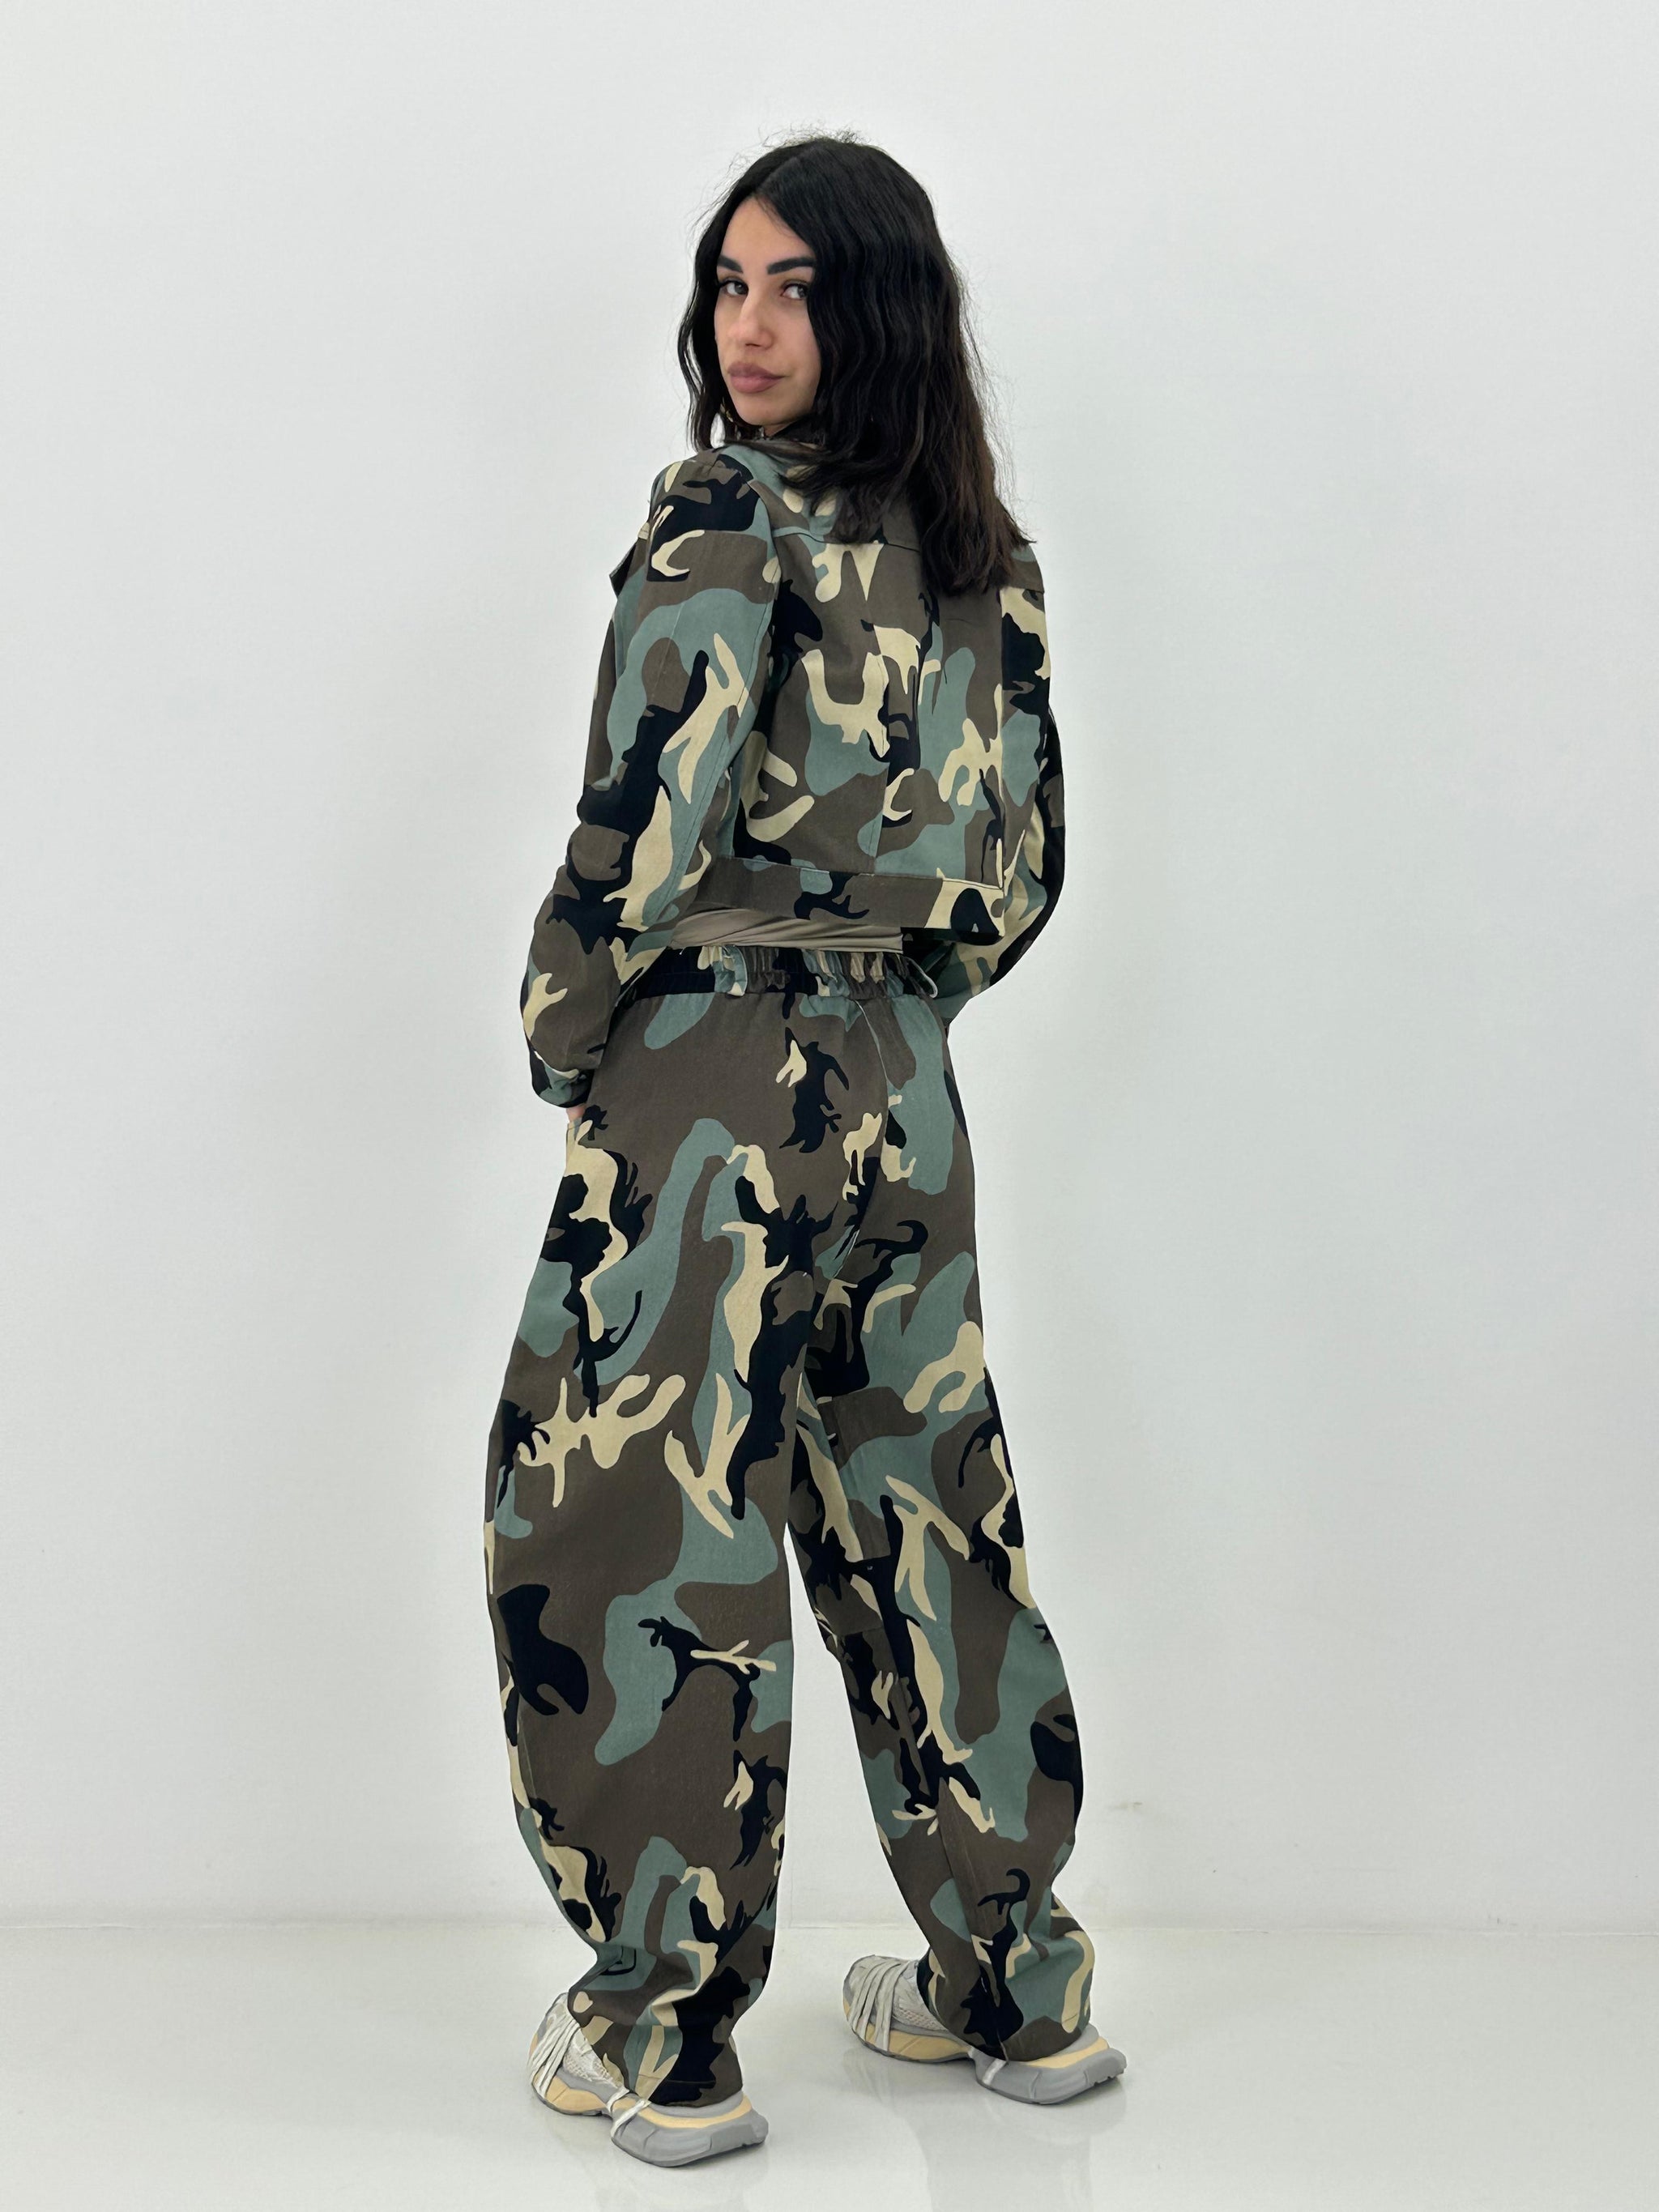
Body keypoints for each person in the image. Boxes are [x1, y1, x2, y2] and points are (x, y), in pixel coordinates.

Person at [482, 131, 1126, 2170]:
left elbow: (644, 815)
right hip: (899, 1079)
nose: (749, 329)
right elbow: (1021, 868)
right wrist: (889, 1007)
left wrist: (572, 1028)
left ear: (880, 307)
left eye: (797, 288)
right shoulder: (981, 555)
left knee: (628, 1524)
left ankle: (663, 2031)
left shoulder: (718, 518)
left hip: (704, 1071)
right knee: (920, 1508)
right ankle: (1016, 1986)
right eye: (730, 284)